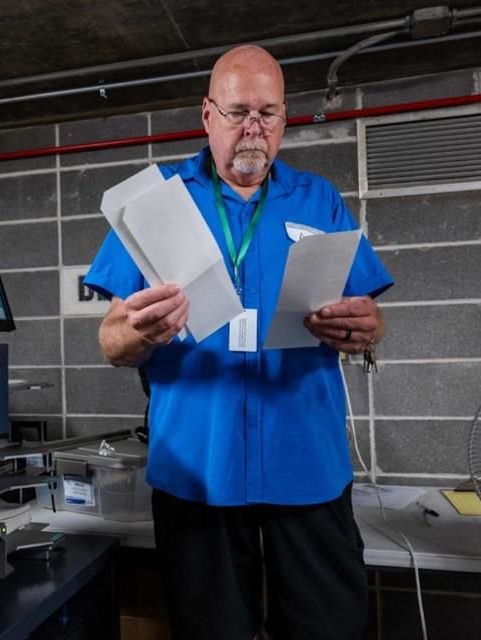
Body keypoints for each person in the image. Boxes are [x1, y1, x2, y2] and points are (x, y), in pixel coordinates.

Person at [84, 44, 393, 640]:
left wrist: (369, 328)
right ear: (206, 115)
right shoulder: (156, 204)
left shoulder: (319, 199)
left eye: (269, 113)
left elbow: (371, 318)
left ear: (284, 119)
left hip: (308, 467)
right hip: (199, 471)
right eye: (238, 112)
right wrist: (137, 331)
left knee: (333, 628)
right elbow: (110, 340)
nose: (253, 127)